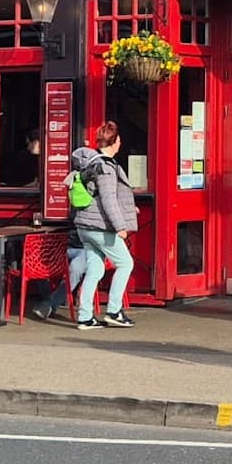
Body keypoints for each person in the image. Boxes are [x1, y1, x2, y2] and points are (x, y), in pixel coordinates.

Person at [69, 122, 138, 331]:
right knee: (126, 263)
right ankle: (114, 311)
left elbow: (101, 198)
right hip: (100, 227)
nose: (120, 143)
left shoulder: (90, 162)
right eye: (118, 140)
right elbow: (108, 200)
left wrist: (128, 211)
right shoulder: (106, 167)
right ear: (115, 142)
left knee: (95, 270)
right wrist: (120, 227)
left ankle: (85, 317)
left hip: (85, 225)